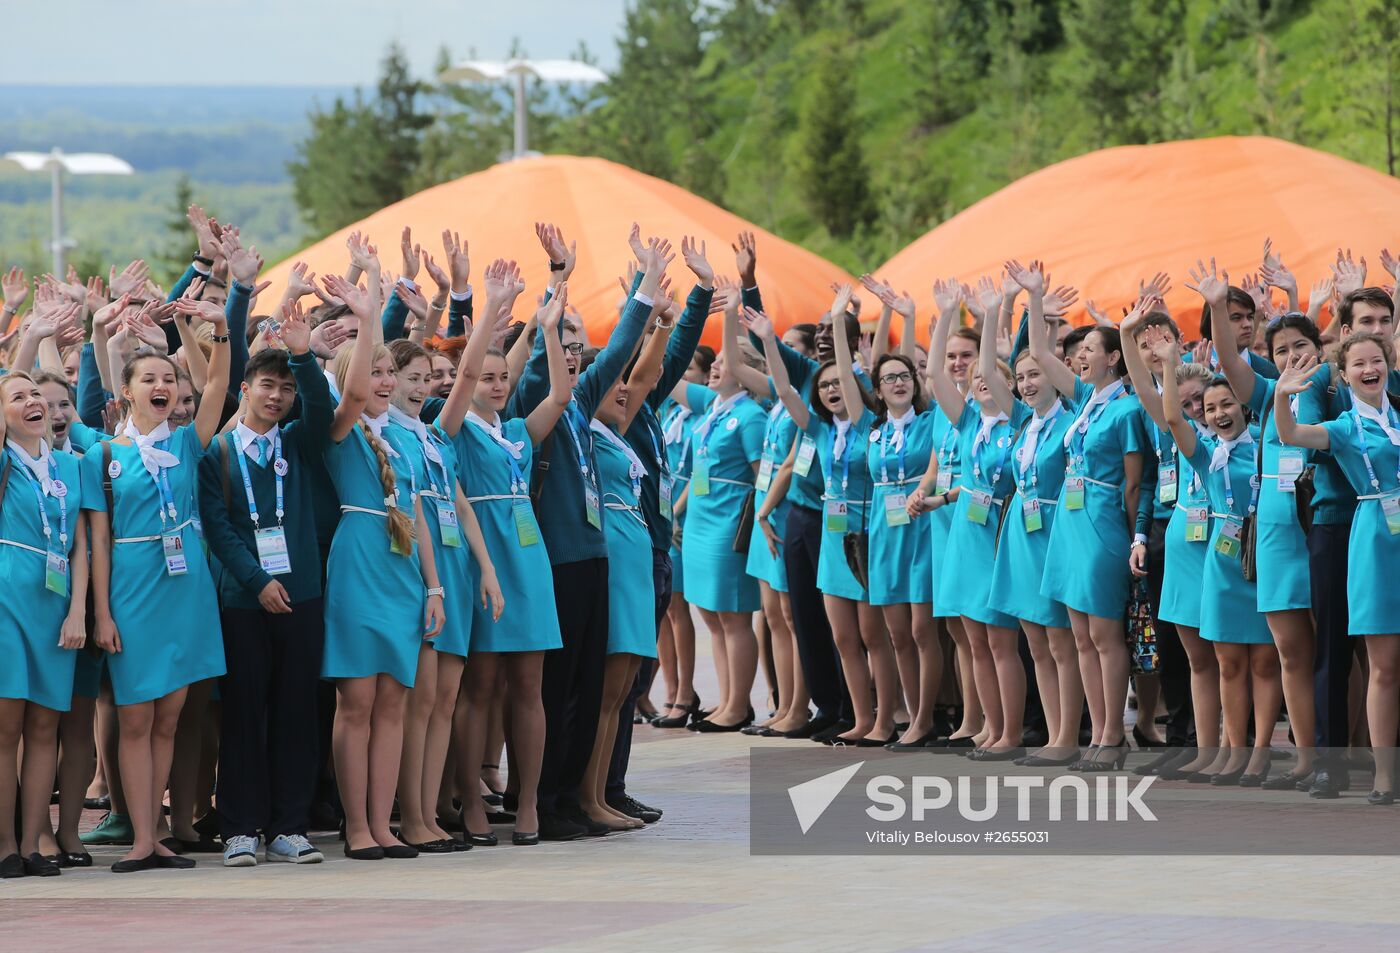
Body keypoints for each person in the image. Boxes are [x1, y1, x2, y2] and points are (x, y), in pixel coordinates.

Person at [504, 227, 658, 840]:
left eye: (575, 345)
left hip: (596, 557)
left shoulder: (581, 400)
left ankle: (575, 795)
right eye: (562, 343)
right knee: (560, 689)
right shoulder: (533, 400)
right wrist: (557, 281)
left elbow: (618, 351)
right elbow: (542, 357)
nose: (572, 353)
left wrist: (644, 289)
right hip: (559, 557)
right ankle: (543, 799)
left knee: (590, 685)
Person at [82, 284, 231, 873]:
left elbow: (217, 384)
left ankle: (160, 834)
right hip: (132, 587)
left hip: (187, 587)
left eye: (167, 381)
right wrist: (101, 613)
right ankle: (141, 835)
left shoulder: (188, 445)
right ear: (126, 392)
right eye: (147, 380)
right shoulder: (104, 455)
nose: (161, 388)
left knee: (169, 717)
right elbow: (94, 541)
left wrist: (218, 329)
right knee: (136, 717)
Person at [319, 257, 446, 861]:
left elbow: (419, 515)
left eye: (389, 370)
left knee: (395, 698)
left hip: (402, 571)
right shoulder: (341, 428)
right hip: (358, 560)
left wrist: (435, 588)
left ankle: (384, 821)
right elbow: (348, 396)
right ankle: (356, 826)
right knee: (358, 700)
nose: (386, 380)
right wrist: (369, 316)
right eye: (375, 371)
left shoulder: (405, 438)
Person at [438, 260, 570, 845]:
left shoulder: (516, 431)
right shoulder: (453, 428)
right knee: (480, 687)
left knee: (530, 688)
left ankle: (528, 805)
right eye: (485, 377)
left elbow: (562, 394)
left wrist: (546, 328)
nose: (495, 385)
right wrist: (492, 312)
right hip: (481, 559)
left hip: (529, 561)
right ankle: (469, 801)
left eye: (502, 378)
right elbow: (463, 375)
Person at [196, 301, 331, 866]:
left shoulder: (297, 442)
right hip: (244, 602)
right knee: (245, 713)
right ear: (246, 388)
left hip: (301, 597)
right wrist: (255, 581)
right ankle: (241, 827)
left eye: (285, 389)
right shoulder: (218, 453)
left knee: (299, 709)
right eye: (267, 386)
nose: (276, 397)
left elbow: (324, 410)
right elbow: (218, 528)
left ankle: (289, 825)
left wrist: (304, 356)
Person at [1188, 258, 1323, 788]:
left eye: (1300, 347)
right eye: (1280, 351)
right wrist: (1219, 305)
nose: (1291, 358)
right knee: (1289, 654)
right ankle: (1308, 758)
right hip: (1271, 540)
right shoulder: (1268, 400)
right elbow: (1228, 359)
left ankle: (1352, 752)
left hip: (1323, 533)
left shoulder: (1336, 394)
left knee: (1335, 651)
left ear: (1318, 351)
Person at [751, 294, 898, 747]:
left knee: (873, 636)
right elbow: (784, 389)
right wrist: (767, 342)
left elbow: (853, 382)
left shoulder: (862, 424)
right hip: (832, 543)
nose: (833, 390)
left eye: (841, 384)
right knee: (843, 636)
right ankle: (857, 717)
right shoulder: (815, 427)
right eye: (827, 386)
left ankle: (885, 720)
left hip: (864, 535)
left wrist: (837, 322)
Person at [1023, 260, 1147, 771]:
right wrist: (1033, 299)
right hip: (1069, 525)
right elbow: (1037, 354)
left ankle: (1114, 734)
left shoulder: (1128, 408)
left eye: (1090, 351)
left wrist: (1134, 534)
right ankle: (1096, 734)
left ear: (1114, 358)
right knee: (1079, 636)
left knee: (1103, 634)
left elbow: (1135, 482)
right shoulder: (1085, 404)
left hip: (1102, 521)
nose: (1078, 359)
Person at [386, 337, 502, 853]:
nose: (419, 387)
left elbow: (462, 505)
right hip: (416, 573)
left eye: (426, 378)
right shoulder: (383, 433)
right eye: (409, 377)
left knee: (446, 701)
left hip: (454, 571)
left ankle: (431, 811)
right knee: (421, 698)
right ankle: (410, 814)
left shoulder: (435, 437)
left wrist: (487, 569)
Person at [1151, 326, 1280, 786]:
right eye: (1210, 409)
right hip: (1222, 567)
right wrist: (1168, 361)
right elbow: (1171, 418)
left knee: (1265, 663)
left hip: (1263, 560)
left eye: (1226, 404)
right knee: (1227, 664)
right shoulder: (1205, 454)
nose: (1219, 413)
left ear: (1242, 407)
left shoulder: (1268, 443)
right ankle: (1232, 750)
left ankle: (1261, 752)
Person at [1276, 332, 1400, 804]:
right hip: (1373, 538)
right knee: (1384, 666)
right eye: (1359, 364)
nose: (1370, 369)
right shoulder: (1345, 425)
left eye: (1377, 360)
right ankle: (1385, 777)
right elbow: (1291, 436)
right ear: (1344, 376)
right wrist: (1282, 396)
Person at [1118, 302, 1225, 783]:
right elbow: (1146, 487)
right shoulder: (1164, 424)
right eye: (1181, 404)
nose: (1192, 410)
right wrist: (1140, 536)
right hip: (1170, 535)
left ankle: (1225, 743)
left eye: (1198, 401)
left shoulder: (1223, 430)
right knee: (1173, 646)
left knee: (1222, 645)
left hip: (1218, 534)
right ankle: (1183, 739)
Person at [922, 277, 1027, 759]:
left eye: (991, 378)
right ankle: (988, 725)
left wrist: (990, 316)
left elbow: (985, 364)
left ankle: (1011, 732)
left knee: (1001, 641)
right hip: (965, 534)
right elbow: (935, 377)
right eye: (977, 380)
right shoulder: (967, 421)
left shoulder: (1019, 424)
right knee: (976, 642)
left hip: (1000, 534)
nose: (980, 381)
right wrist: (945, 315)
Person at [0, 371, 89, 878]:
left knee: (43, 728)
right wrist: (29, 335)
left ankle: (34, 842)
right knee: (7, 726)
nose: (33, 402)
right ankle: (4, 842)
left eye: (36, 393)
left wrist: (78, 609)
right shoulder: (4, 461)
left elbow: (79, 545)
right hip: (7, 596)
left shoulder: (70, 466)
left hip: (55, 606)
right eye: (18, 397)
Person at [986, 296, 1082, 766]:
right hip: (1021, 534)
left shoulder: (1071, 421)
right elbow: (989, 366)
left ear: (1055, 372)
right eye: (1021, 377)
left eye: (1034, 374)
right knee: (1036, 643)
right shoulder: (1023, 423)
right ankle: (1050, 734)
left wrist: (1037, 306)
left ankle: (1068, 735)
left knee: (1062, 642)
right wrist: (994, 311)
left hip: (1055, 534)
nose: (1025, 384)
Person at [851, 278, 940, 750]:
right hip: (883, 531)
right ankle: (910, 716)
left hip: (923, 524)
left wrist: (905, 318)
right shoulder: (874, 428)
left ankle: (925, 718)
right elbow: (854, 376)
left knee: (925, 630)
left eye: (904, 375)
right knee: (897, 632)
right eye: (889, 378)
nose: (899, 382)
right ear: (878, 390)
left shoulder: (931, 421)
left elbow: (938, 463)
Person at [679, 286, 767, 732]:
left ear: (745, 371)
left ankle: (739, 704)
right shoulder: (711, 406)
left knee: (733, 615)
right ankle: (725, 700)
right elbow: (666, 377)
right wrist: (661, 318)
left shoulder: (751, 415)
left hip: (729, 522)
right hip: (698, 520)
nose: (714, 369)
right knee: (710, 616)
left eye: (721, 365)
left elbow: (760, 473)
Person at [651, 345, 714, 729]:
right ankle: (671, 690)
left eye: (691, 368)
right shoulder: (671, 414)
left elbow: (697, 471)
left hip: (685, 517)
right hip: (664, 513)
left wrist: (674, 512)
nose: (684, 375)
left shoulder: (704, 416)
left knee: (680, 609)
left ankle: (686, 691)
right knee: (666, 609)